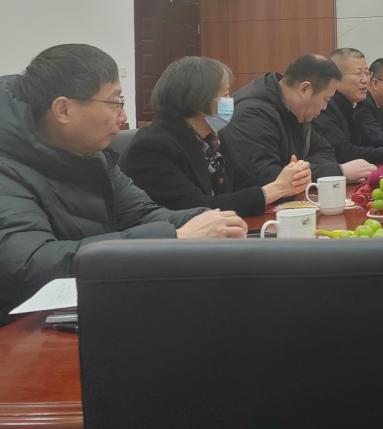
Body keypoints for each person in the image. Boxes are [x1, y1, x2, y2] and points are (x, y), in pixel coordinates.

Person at [0, 45, 247, 324]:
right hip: (18, 333)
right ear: (64, 110)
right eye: (114, 102)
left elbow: (142, 214)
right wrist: (174, 238)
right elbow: (29, 266)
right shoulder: (7, 169)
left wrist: (206, 220)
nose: (123, 116)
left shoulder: (92, 154)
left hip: (87, 311)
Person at [123, 57, 313, 216]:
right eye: (226, 95)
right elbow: (197, 207)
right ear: (198, 99)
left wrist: (289, 181)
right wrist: (274, 189)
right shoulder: (153, 147)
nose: (231, 101)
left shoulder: (213, 138)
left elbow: (244, 184)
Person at [221, 54, 362, 186]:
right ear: (305, 89)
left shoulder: (295, 111)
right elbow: (266, 177)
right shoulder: (252, 113)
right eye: (326, 99)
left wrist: (299, 169)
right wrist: (337, 171)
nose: (325, 107)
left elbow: (324, 150)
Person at [313, 48, 383, 167]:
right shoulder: (326, 107)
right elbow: (342, 152)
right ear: (335, 77)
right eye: (358, 74)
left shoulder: (352, 104)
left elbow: (366, 138)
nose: (365, 80)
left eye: (367, 74)